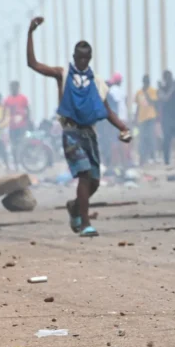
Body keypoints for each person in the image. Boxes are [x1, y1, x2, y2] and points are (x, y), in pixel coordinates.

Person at [26, 16, 131, 237]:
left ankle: (75, 207)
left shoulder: (97, 82)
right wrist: (30, 33)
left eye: (86, 58)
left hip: (89, 134)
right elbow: (33, 64)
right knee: (84, 175)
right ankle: (85, 223)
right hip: (71, 133)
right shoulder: (62, 74)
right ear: (74, 57)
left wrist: (123, 128)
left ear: (90, 58)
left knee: (94, 182)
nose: (82, 61)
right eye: (79, 58)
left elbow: (107, 110)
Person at [3, 81, 30, 170]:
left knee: (22, 144)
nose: (14, 89)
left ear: (18, 87)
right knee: (14, 146)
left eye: (15, 87)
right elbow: (4, 113)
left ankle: (23, 162)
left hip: (22, 126)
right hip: (12, 127)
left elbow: (28, 110)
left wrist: (28, 121)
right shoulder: (7, 100)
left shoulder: (23, 98)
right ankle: (16, 164)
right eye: (12, 87)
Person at [134, 75, 159, 165]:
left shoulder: (153, 91)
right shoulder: (138, 92)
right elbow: (137, 106)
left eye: (147, 82)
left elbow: (153, 102)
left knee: (151, 137)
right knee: (142, 138)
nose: (146, 84)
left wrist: (146, 94)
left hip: (151, 117)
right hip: (141, 118)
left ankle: (153, 157)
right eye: (145, 82)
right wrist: (135, 118)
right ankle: (143, 157)